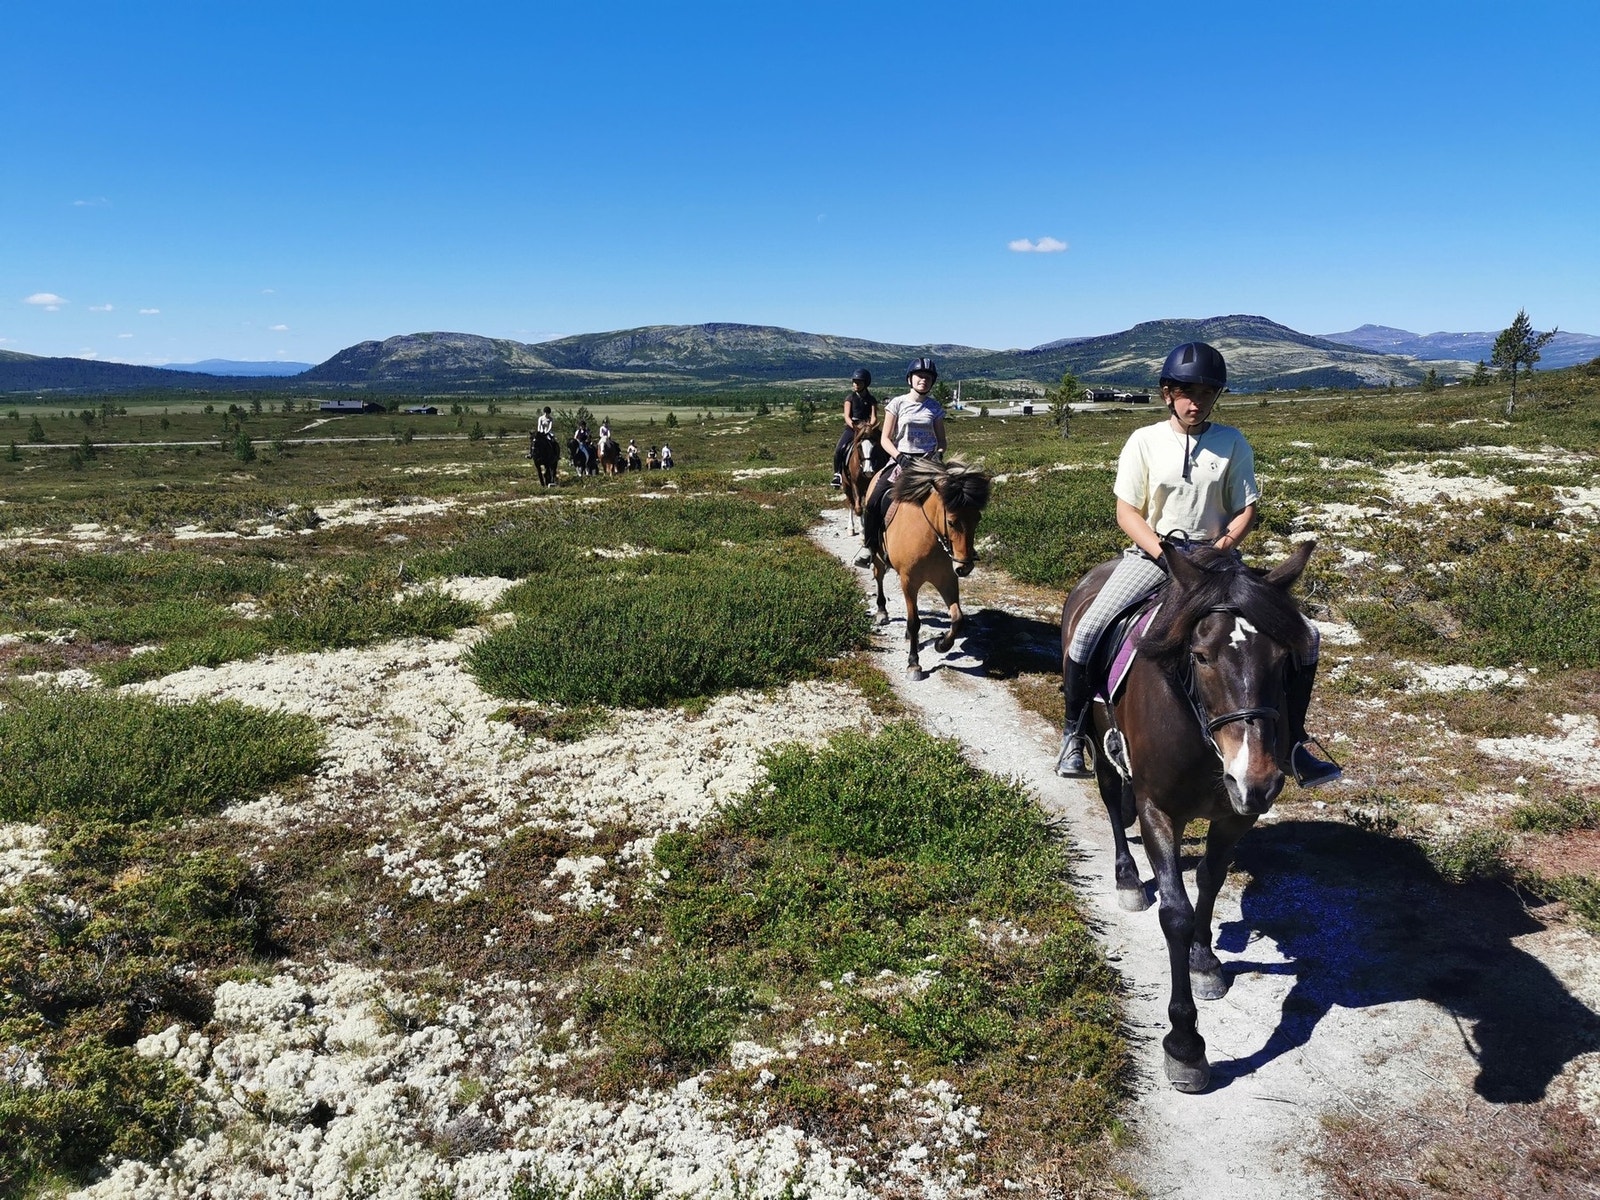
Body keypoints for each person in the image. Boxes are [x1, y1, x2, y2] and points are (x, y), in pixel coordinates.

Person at [1055, 341, 1340, 788]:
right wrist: (1163, 553)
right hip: (1155, 556)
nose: (1196, 401)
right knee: (1090, 627)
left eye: (1206, 392)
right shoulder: (1143, 441)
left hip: (1219, 560)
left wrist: (1223, 547)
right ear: (1168, 393)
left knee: (1306, 636)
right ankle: (1074, 732)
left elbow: (1246, 509)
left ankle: (1294, 744)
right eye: (1187, 391)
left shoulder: (1232, 442)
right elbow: (1126, 512)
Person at [858, 357, 946, 565]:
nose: (923, 380)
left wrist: (938, 454)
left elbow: (942, 441)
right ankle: (869, 547)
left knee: (957, 498)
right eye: (919, 376)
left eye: (928, 378)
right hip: (901, 460)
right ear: (910, 379)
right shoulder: (897, 404)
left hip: (928, 462)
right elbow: (885, 439)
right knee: (873, 500)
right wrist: (899, 457)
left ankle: (958, 546)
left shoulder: (934, 407)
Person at [833, 367, 878, 489]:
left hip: (867, 428)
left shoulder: (871, 399)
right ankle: (837, 474)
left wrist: (869, 426)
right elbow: (847, 416)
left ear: (865, 383)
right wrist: (853, 426)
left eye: (858, 382)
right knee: (839, 448)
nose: (855, 384)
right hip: (852, 428)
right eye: (854, 382)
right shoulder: (850, 398)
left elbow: (874, 417)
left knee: (882, 444)